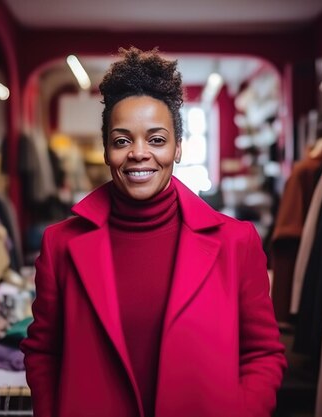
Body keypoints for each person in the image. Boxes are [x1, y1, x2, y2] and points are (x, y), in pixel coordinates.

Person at [21, 47, 287, 417]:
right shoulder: (60, 244)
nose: (139, 153)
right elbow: (43, 352)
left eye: (157, 139)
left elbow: (262, 353)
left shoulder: (235, 242)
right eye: (122, 140)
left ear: (178, 148)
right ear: (106, 151)